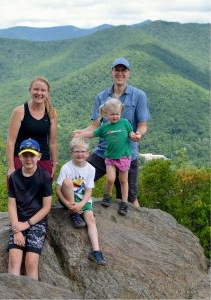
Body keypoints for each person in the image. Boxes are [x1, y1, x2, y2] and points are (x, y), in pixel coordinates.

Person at [73, 57, 150, 208]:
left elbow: (142, 125)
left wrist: (138, 134)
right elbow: (95, 126)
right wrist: (80, 132)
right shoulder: (101, 97)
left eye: (124, 70)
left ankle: (138, 228)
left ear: (128, 73)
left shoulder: (139, 95)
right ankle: (75, 211)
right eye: (117, 70)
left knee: (130, 198)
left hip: (126, 155)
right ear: (112, 72)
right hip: (104, 153)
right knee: (78, 181)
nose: (120, 73)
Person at [73, 98, 136, 216]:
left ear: (121, 113)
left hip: (124, 157)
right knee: (110, 179)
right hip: (110, 158)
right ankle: (107, 196)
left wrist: (135, 136)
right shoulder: (104, 127)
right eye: (112, 114)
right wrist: (80, 133)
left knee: (123, 181)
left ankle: (124, 202)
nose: (115, 116)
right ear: (106, 114)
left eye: (117, 114)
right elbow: (92, 134)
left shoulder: (125, 123)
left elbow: (131, 134)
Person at [56, 137, 106, 265]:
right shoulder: (66, 168)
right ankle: (74, 214)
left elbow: (89, 190)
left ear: (88, 153)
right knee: (67, 181)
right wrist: (68, 204)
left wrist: (82, 204)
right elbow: (58, 190)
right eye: (77, 151)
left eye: (83, 151)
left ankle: (96, 251)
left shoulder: (91, 169)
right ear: (71, 153)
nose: (80, 154)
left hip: (83, 198)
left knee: (91, 219)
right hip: (68, 197)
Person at [7, 138, 52, 280]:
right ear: (19, 157)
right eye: (25, 155)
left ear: (38, 156)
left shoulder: (44, 177)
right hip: (18, 221)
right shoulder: (14, 177)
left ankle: (33, 293)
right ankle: (12, 289)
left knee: (31, 262)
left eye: (32, 155)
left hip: (37, 222)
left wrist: (26, 225)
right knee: (14, 258)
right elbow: (11, 205)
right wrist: (17, 229)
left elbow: (46, 207)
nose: (28, 159)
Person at [6, 76, 58, 178]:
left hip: (43, 159)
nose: (39, 93)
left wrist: (54, 162)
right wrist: (11, 166)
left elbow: (53, 142)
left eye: (43, 90)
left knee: (43, 193)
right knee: (18, 193)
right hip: (21, 159)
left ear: (48, 93)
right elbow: (10, 141)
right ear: (30, 91)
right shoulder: (19, 111)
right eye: (36, 89)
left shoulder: (51, 113)